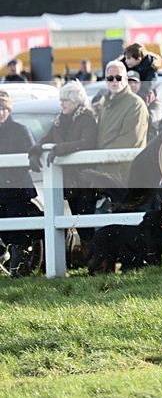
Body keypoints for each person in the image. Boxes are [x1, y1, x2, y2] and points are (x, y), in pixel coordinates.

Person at [28, 81, 99, 259]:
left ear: (76, 101)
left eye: (65, 100)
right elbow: (46, 138)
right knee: (73, 222)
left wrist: (60, 149)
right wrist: (35, 151)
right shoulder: (60, 119)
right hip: (67, 182)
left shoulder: (87, 118)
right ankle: (84, 261)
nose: (62, 103)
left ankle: (93, 263)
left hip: (84, 182)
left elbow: (87, 142)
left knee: (85, 225)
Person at [0, 90, 39, 275]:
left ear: (9, 110)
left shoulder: (20, 130)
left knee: (18, 234)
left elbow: (32, 154)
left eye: (3, 109)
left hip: (17, 190)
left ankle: (18, 271)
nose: (0, 113)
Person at [94, 61, 149, 182]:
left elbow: (131, 139)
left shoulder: (136, 104)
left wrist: (99, 155)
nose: (115, 81)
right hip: (104, 171)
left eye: (118, 77)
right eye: (110, 78)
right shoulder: (105, 104)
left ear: (126, 79)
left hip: (126, 175)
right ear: (106, 80)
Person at [128, 71, 162, 143]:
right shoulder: (121, 100)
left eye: (135, 82)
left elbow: (152, 122)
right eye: (129, 82)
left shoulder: (153, 102)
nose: (132, 85)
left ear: (140, 84)